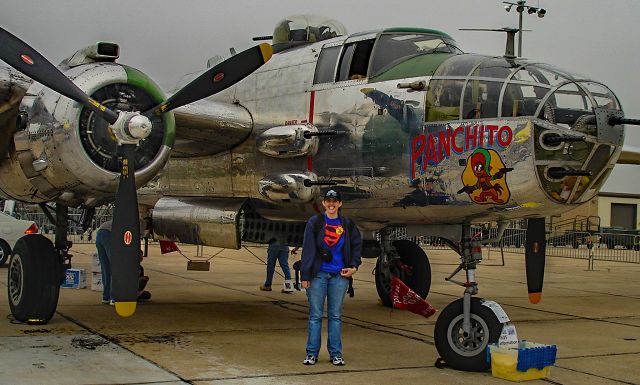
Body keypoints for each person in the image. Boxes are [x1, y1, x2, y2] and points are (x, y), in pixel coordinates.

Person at [300, 189, 362, 366]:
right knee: (315, 316)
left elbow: (357, 245)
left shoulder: (347, 224)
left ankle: (336, 354)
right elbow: (308, 250)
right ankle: (312, 353)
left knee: (335, 316)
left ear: (340, 204)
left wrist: (354, 266)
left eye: (335, 201)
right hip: (318, 275)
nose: (331, 203)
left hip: (339, 276)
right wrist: (305, 275)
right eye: (328, 200)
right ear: (324, 203)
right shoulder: (315, 223)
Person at [95, 220, 113, 305]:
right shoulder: (142, 223)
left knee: (105, 267)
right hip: (109, 234)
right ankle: (114, 297)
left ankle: (106, 297)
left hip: (100, 233)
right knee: (116, 266)